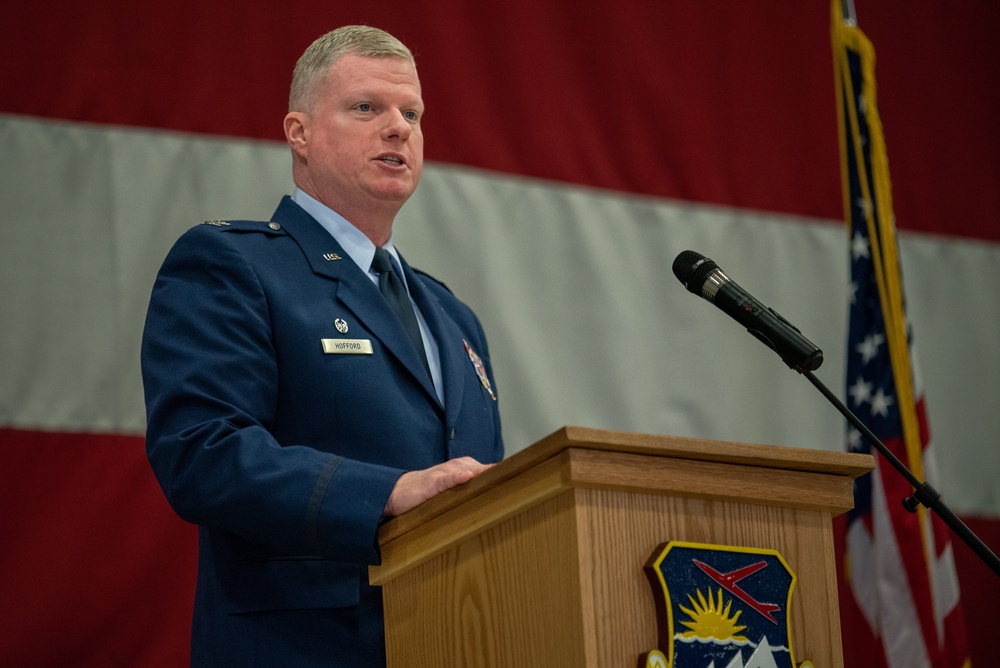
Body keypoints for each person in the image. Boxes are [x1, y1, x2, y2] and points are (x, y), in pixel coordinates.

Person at [141, 25, 503, 667]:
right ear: (299, 132)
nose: (399, 128)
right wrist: (387, 493)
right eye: (367, 108)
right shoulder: (235, 264)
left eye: (412, 113)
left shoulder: (453, 316)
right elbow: (201, 452)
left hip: (455, 637)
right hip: (304, 647)